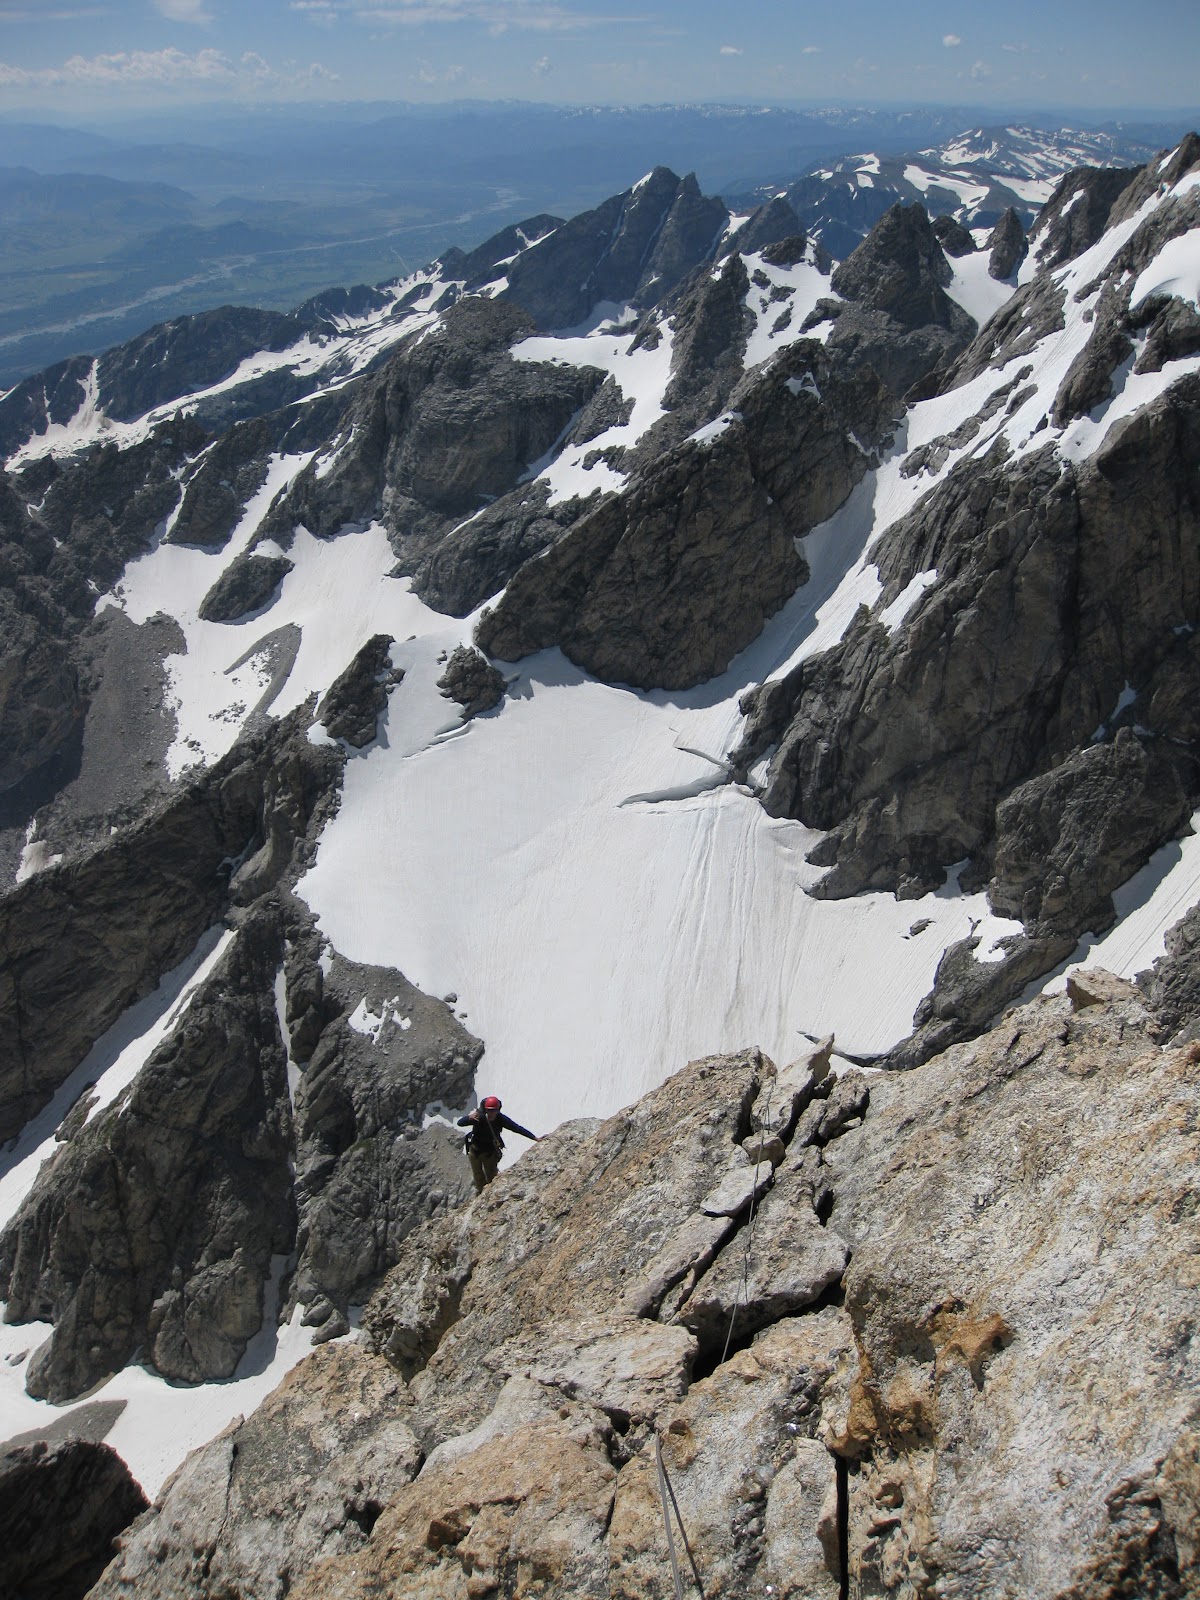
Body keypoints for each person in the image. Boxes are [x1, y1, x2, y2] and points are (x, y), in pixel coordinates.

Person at [458, 1095, 538, 1193]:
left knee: (492, 1178)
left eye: (494, 1111)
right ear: (486, 1110)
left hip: (488, 1153)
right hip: (476, 1151)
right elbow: (460, 1123)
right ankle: (481, 1196)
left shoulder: (500, 1119)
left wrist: (534, 1138)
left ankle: (488, 1195)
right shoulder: (479, 1117)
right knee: (478, 1177)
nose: (491, 1113)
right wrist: (469, 1118)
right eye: (489, 1110)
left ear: (498, 1110)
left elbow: (517, 1128)